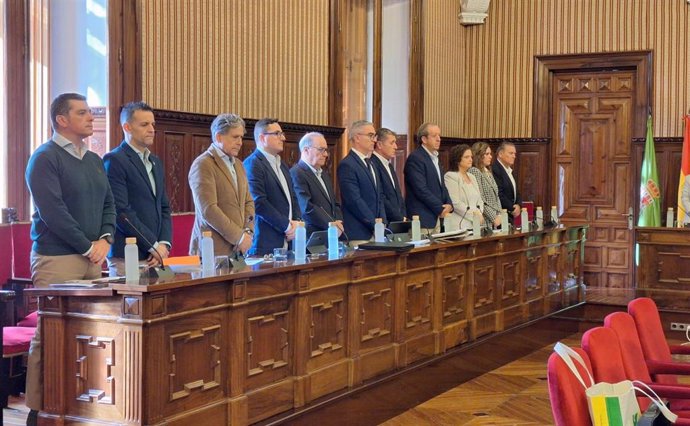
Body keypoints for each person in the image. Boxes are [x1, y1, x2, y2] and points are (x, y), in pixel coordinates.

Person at [24, 92, 116, 424]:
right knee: (50, 333)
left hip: (93, 256)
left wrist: (105, 238)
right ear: (62, 120)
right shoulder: (45, 158)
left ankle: (78, 404)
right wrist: (87, 245)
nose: (91, 118)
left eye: (90, 113)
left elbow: (109, 203)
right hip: (57, 258)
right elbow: (53, 213)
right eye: (82, 113)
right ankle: (40, 408)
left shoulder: (92, 159)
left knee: (87, 333)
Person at [104, 101, 172, 275]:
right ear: (127, 127)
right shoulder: (115, 160)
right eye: (144, 124)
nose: (151, 129)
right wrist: (152, 245)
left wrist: (163, 243)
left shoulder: (155, 162)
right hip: (127, 254)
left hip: (156, 254)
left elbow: (164, 206)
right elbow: (121, 211)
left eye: (153, 124)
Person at [188, 113, 254, 258]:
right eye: (235, 137)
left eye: (241, 137)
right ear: (218, 137)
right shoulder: (203, 164)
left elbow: (248, 201)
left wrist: (248, 232)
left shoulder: (239, 164)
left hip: (239, 249)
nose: (240, 142)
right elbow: (208, 210)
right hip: (212, 250)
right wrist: (239, 237)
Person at [244, 118, 300, 255]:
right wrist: (287, 226)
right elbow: (258, 202)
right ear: (262, 138)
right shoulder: (253, 164)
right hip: (265, 242)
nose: (283, 138)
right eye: (277, 134)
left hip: (289, 240)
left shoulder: (282, 165)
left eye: (282, 134)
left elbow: (293, 197)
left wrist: (297, 224)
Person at [338, 120, 386, 243]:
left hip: (376, 231)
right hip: (358, 233)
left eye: (374, 136)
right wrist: (374, 224)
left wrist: (382, 223)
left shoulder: (371, 164)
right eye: (370, 135)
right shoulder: (347, 165)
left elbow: (380, 196)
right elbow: (354, 200)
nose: (374, 140)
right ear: (357, 138)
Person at [290, 132, 344, 237]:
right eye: (321, 149)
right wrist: (332, 225)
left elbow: (334, 203)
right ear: (306, 150)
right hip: (312, 237)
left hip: (330, 234)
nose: (326, 154)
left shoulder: (323, 174)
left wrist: (338, 221)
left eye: (326, 150)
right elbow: (306, 207)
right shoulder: (297, 173)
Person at [404, 122, 453, 234]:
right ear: (424, 139)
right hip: (422, 219)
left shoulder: (435, 158)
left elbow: (442, 186)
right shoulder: (416, 158)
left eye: (439, 136)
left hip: (436, 218)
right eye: (434, 136)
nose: (439, 139)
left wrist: (449, 204)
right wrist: (440, 208)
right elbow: (421, 189)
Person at [444, 144, 484, 231]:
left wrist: (479, 214)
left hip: (476, 224)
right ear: (457, 159)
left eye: (471, 157)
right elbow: (455, 203)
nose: (470, 159)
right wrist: (474, 216)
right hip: (458, 225)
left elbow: (480, 200)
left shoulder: (472, 177)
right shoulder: (451, 176)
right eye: (466, 157)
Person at [371, 128, 406, 222]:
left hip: (397, 220)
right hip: (385, 220)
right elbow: (381, 196)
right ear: (379, 144)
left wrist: (403, 215)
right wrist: (399, 217)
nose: (396, 146)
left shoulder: (389, 165)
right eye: (392, 143)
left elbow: (397, 194)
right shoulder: (373, 163)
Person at [468, 142, 502, 229]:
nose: (490, 156)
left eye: (490, 154)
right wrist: (493, 217)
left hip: (496, 218)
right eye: (487, 154)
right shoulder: (474, 171)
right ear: (478, 155)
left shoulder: (487, 171)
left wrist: (500, 214)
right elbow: (481, 199)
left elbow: (496, 196)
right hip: (485, 219)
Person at [492, 141, 521, 222]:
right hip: (501, 215)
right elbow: (499, 193)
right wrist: (512, 207)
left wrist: (518, 205)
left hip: (511, 214)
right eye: (511, 153)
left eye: (514, 154)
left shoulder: (510, 170)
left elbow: (516, 192)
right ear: (500, 154)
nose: (514, 156)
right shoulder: (495, 169)